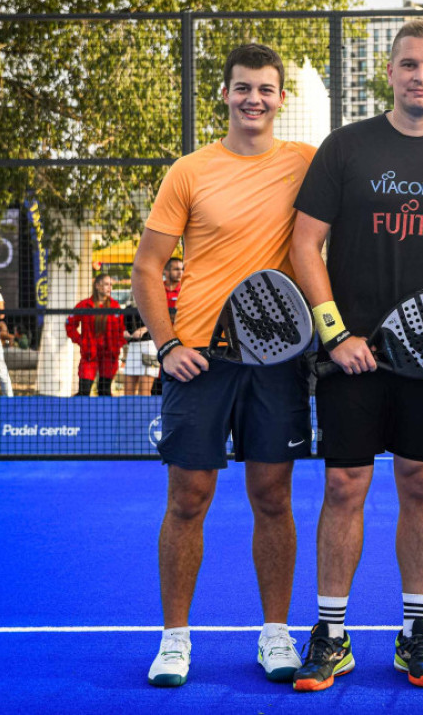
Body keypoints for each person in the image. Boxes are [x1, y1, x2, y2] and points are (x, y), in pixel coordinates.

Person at [288, 20, 423, 692]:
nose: (420, 76)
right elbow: (303, 245)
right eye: (409, 65)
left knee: (421, 483)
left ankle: (415, 631)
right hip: (353, 357)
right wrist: (336, 333)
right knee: (345, 485)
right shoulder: (345, 147)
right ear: (390, 71)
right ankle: (331, 633)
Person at [132, 43, 317, 688]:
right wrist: (167, 346)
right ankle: (175, 641)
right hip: (201, 363)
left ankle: (275, 635)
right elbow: (147, 268)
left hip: (278, 363)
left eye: (265, 89)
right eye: (242, 88)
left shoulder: (307, 164)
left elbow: (374, 181)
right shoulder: (189, 170)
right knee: (189, 498)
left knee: (273, 496)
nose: (254, 99)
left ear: (281, 98)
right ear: (225, 94)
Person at [65, 273, 125, 396]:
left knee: (104, 391)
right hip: (89, 354)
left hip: (109, 355)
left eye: (111, 285)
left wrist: (117, 345)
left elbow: (121, 329)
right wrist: (81, 341)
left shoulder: (115, 306)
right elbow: (70, 325)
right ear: (97, 286)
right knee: (84, 391)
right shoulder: (84, 305)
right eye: (107, 284)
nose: (110, 288)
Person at [150, 257, 184, 396]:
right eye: (176, 269)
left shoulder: (184, 289)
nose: (180, 272)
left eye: (182, 269)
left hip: (179, 338)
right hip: (157, 336)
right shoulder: (157, 289)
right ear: (166, 271)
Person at [122, 302, 158, 395]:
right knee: (128, 392)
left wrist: (144, 329)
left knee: (144, 392)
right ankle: (129, 409)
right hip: (133, 348)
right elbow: (123, 324)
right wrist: (124, 331)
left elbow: (159, 321)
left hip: (149, 347)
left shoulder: (153, 303)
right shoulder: (128, 307)